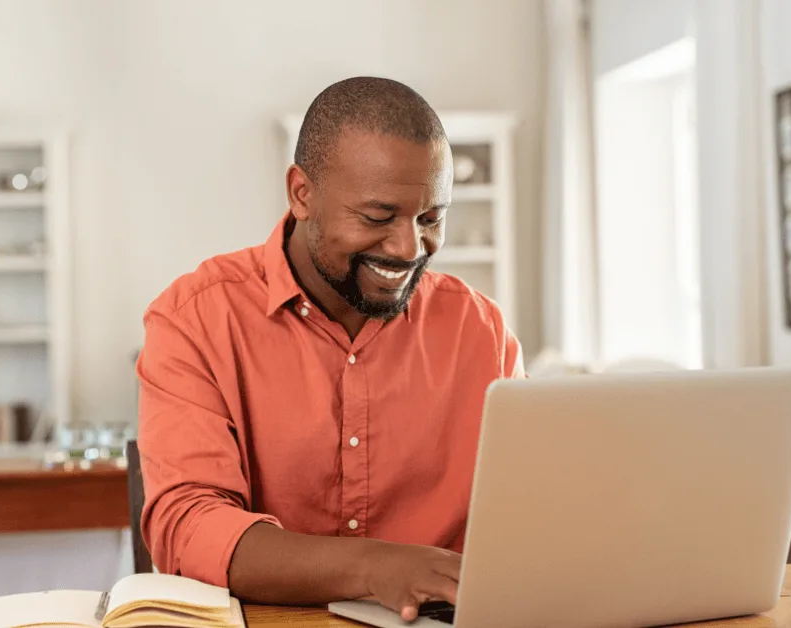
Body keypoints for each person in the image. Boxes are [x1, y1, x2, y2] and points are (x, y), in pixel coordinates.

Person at [137, 76, 524, 622]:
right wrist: (374, 567)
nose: (410, 247)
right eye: (378, 216)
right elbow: (188, 526)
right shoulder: (194, 319)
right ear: (302, 193)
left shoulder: (481, 331)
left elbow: (527, 518)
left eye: (431, 218)